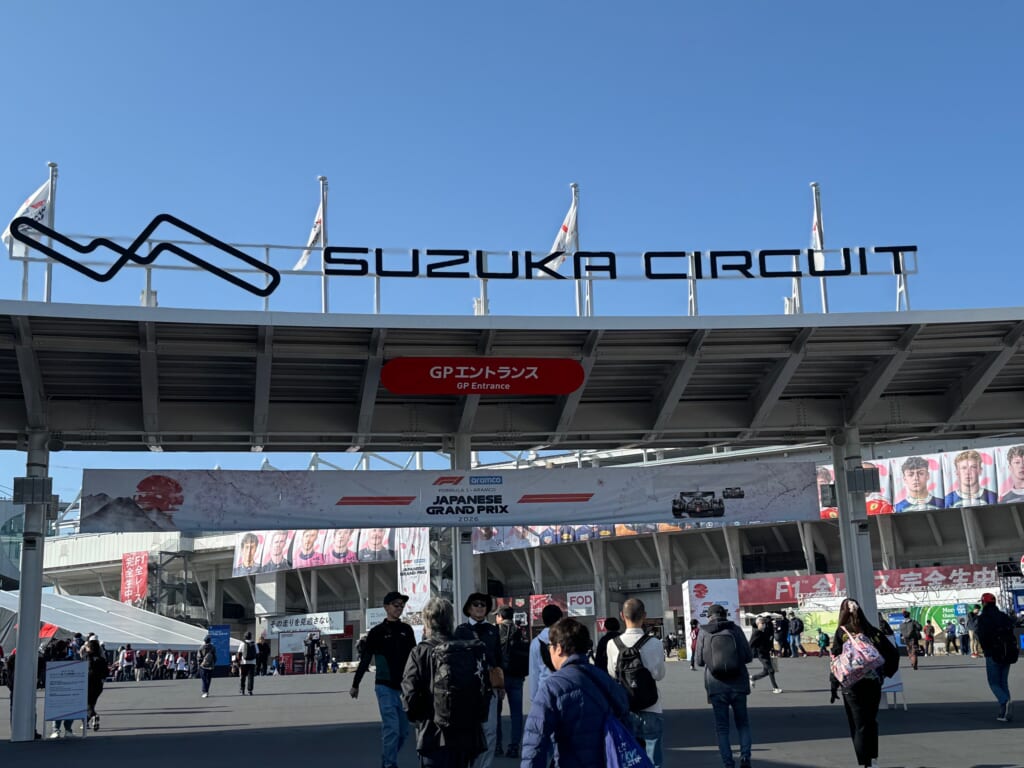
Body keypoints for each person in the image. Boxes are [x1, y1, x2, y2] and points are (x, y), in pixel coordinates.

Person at [521, 617, 630, 768]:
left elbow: (535, 740)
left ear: (559, 648)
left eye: (550, 646)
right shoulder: (604, 679)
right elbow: (625, 720)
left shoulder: (552, 686)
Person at [401, 597, 488, 768]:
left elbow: (409, 696)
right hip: (466, 734)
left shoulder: (420, 652)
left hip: (433, 734)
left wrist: (418, 719)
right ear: (451, 620)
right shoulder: (466, 649)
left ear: (427, 621)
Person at [829, 597, 899, 768]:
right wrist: (885, 674)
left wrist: (834, 685)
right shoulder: (873, 631)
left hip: (851, 684)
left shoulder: (841, 632)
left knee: (858, 724)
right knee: (870, 721)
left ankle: (864, 762)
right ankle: (873, 759)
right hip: (872, 683)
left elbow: (835, 660)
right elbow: (893, 654)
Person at [351, 591, 417, 768]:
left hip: (404, 688)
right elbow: (366, 659)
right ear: (386, 607)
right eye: (396, 605)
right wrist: (355, 684)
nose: (399, 608)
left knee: (403, 732)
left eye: (402, 605)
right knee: (392, 728)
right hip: (384, 687)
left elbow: (415, 658)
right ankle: (389, 764)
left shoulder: (407, 630)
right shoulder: (377, 632)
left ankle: (388, 758)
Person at [606, 597, 666, 768]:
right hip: (651, 706)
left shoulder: (612, 644)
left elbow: (612, 673)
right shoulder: (654, 643)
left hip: (626, 708)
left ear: (621, 616)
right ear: (644, 616)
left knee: (629, 760)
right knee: (654, 761)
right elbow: (659, 675)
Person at [695, 603, 754, 768]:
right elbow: (748, 656)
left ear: (709, 616)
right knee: (743, 724)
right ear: (725, 614)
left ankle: (728, 763)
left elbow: (699, 661)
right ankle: (745, 758)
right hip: (738, 683)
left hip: (715, 685)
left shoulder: (704, 632)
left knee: (722, 728)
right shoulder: (735, 630)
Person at [455, 592, 501, 768]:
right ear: (468, 608)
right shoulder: (461, 631)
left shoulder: (493, 630)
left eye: (483, 604)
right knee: (470, 732)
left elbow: (498, 658)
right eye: (476, 604)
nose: (480, 607)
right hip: (468, 689)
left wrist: (501, 684)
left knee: (490, 731)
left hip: (489, 688)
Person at [975, 592, 1016, 722]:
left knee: (993, 682)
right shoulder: (1003, 616)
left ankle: (1004, 701)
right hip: (1007, 652)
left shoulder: (984, 618)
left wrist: (985, 648)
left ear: (984, 603)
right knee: (1003, 682)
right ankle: (1004, 711)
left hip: (992, 652)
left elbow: (982, 635)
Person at [495, 607, 528, 759]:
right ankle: (514, 746)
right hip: (517, 676)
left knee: (496, 713)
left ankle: (497, 745)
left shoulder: (496, 631)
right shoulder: (519, 631)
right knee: (516, 713)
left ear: (500, 616)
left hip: (500, 677)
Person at [528, 604, 564, 702]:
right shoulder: (566, 639)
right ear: (560, 619)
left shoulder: (536, 642)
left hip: (544, 690)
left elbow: (534, 672)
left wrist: (533, 697)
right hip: (564, 687)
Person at [749, 617, 782, 694]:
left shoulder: (767, 631)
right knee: (771, 670)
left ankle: (753, 678)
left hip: (767, 653)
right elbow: (750, 644)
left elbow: (770, 641)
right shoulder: (756, 633)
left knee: (766, 672)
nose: (764, 625)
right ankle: (775, 688)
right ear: (758, 624)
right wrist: (749, 653)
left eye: (764, 623)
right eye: (762, 623)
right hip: (761, 654)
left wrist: (772, 649)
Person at [83, 637, 107, 731]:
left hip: (88, 683)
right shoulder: (101, 659)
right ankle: (87, 722)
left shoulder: (87, 657)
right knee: (91, 704)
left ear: (89, 648)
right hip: (98, 685)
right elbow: (106, 672)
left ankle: (93, 716)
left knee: (87, 704)